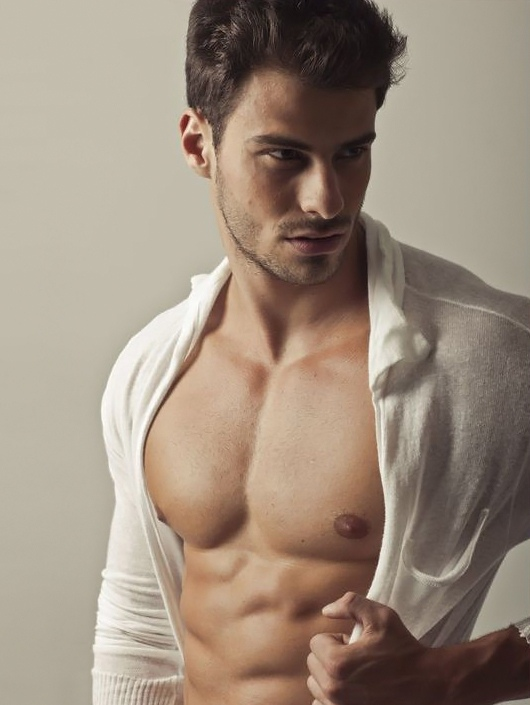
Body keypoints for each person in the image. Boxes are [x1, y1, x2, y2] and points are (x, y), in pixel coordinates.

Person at [92, 1, 530, 703]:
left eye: (352, 152)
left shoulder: (486, 360)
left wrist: (450, 675)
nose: (327, 201)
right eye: (285, 156)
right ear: (199, 145)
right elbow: (137, 636)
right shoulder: (152, 371)